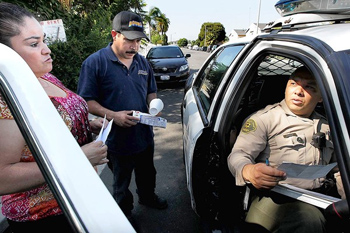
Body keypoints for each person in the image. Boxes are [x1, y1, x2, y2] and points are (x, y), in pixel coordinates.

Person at [0, 2, 108, 232]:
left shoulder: (45, 77)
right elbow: (3, 177)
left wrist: (87, 125)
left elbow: (54, 123)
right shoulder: (6, 101)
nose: (47, 49)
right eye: (34, 44)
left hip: (78, 199)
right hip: (44, 218)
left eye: (43, 40)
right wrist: (78, 159)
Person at [77, 11, 168, 219]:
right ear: (114, 34)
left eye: (138, 41)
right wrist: (114, 116)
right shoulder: (95, 63)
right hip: (117, 141)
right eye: (128, 40)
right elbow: (87, 101)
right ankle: (124, 216)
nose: (134, 46)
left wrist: (153, 104)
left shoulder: (143, 63)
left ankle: (147, 197)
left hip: (144, 136)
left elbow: (150, 90)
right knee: (121, 183)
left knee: (147, 173)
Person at [228, 66, 338, 233]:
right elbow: (238, 155)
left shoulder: (330, 126)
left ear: (321, 97)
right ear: (286, 86)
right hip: (276, 196)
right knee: (309, 221)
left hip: (320, 197)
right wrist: (248, 170)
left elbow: (339, 168)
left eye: (309, 87)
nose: (298, 91)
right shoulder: (264, 119)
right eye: (294, 83)